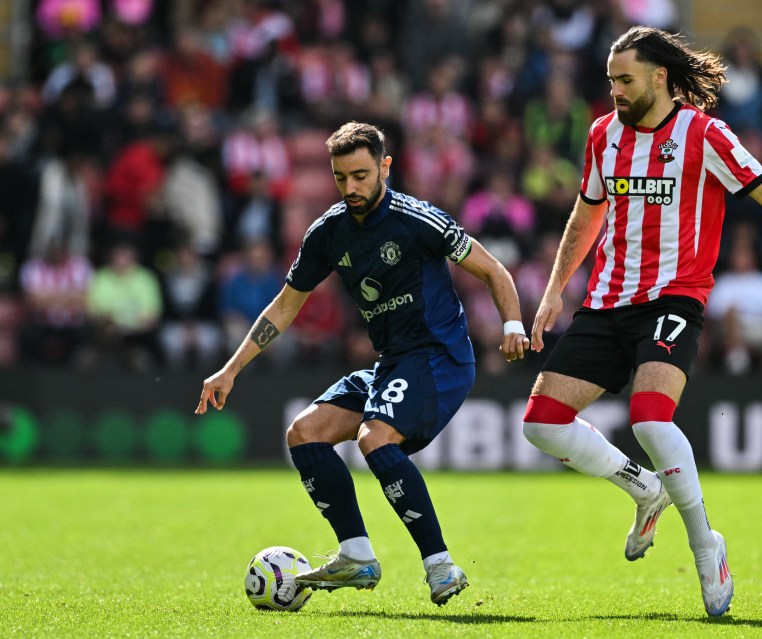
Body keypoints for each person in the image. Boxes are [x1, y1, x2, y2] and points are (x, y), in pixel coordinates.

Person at [522, 26, 762, 617]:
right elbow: (586, 213)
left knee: (650, 418)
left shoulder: (704, 134)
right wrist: (554, 291)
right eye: (610, 81)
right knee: (542, 426)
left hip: (674, 299)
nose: (615, 92)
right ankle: (644, 489)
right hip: (606, 301)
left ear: (660, 77)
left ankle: (707, 544)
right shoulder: (604, 134)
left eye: (625, 80)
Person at [195, 121, 528, 606]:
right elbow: (285, 306)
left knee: (376, 436)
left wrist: (512, 325)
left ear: (384, 167)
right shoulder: (328, 232)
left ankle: (440, 566)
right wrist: (231, 369)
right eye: (340, 178)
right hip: (392, 363)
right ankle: (356, 556)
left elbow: (492, 269)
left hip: (440, 358)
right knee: (304, 433)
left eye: (360, 175)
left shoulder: (419, 221)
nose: (350, 187)